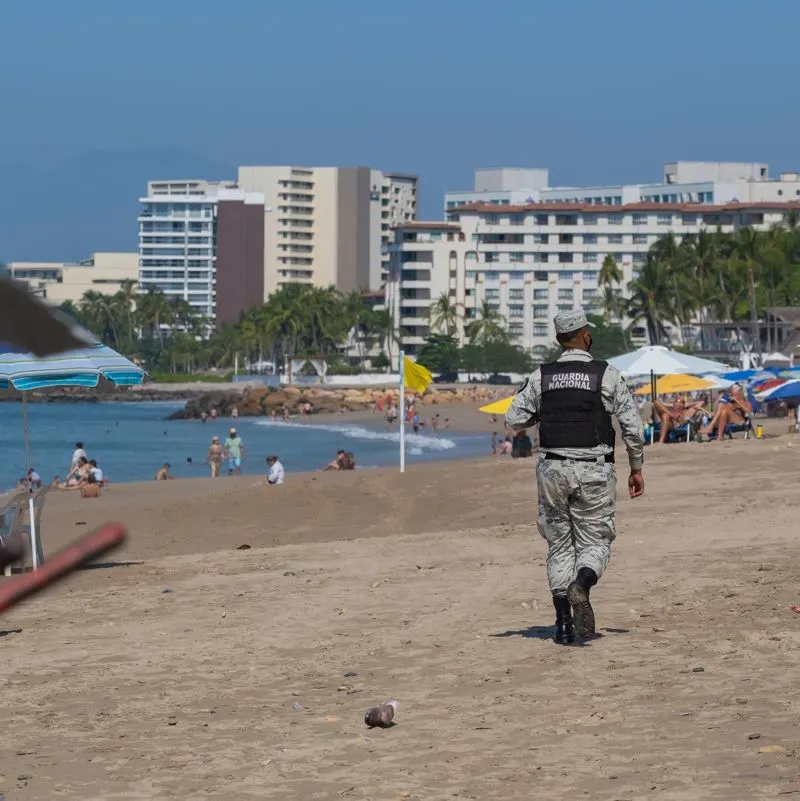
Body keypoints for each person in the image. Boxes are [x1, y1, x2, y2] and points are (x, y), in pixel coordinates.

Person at [506, 310, 645, 645]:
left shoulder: (543, 376)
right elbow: (632, 427)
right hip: (595, 467)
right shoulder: (606, 374)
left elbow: (514, 417)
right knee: (595, 540)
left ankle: (563, 625)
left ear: (559, 339)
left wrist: (547, 410)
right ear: (585, 336)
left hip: (552, 467)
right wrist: (636, 467)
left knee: (559, 545)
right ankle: (581, 585)